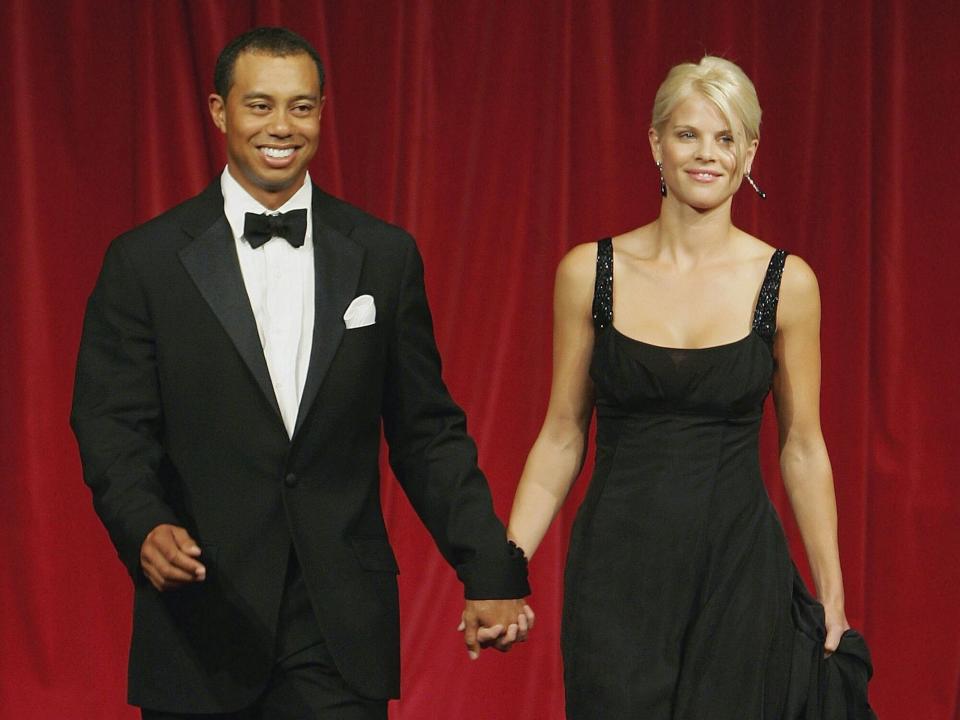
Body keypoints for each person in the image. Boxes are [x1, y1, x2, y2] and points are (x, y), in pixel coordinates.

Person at [71, 27, 531, 720]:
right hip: (203, 618)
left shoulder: (382, 256)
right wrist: (143, 526)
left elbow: (426, 432)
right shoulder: (145, 262)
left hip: (337, 624)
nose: (282, 127)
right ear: (220, 111)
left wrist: (488, 566)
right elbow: (112, 424)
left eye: (302, 106)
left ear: (321, 112)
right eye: (260, 105)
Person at [507, 56, 872, 718]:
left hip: (739, 573)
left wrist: (833, 594)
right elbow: (561, 435)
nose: (707, 154)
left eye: (726, 137)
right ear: (655, 143)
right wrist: (505, 568)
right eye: (688, 134)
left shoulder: (788, 283)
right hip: (615, 578)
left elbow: (803, 447)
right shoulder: (589, 272)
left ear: (750, 152)